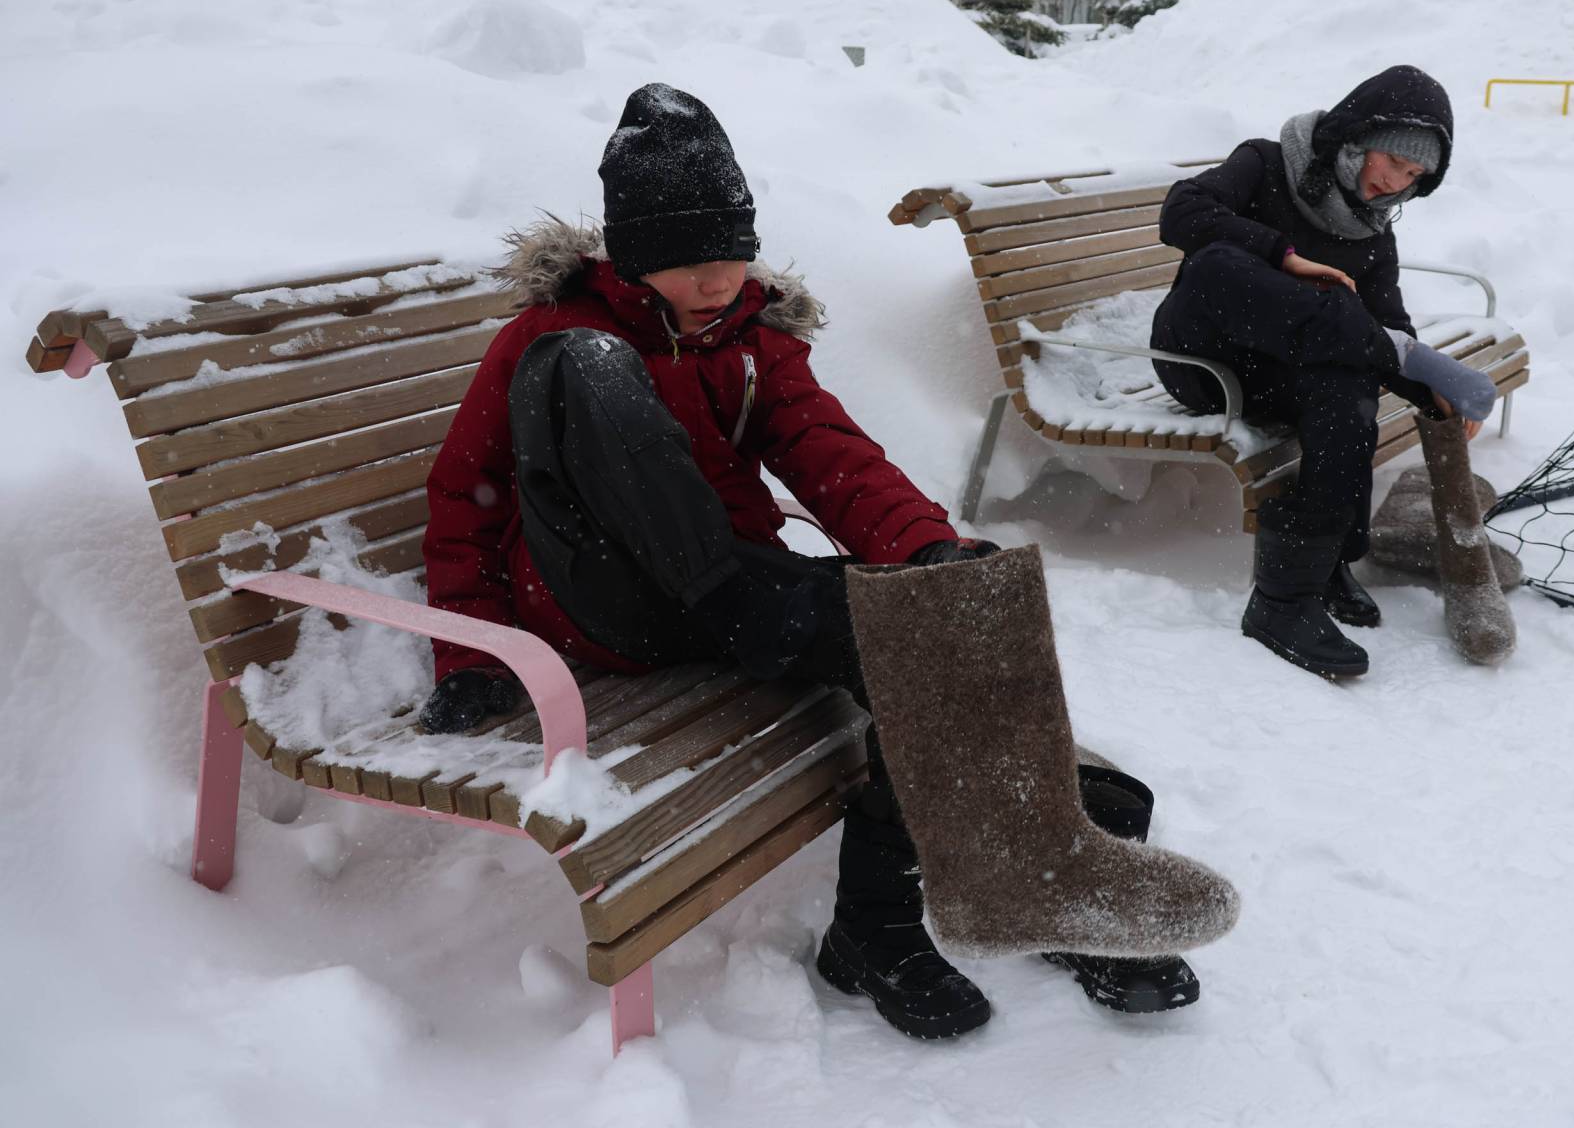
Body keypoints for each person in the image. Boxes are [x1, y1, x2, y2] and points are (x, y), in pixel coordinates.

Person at [420, 84, 1209, 1040]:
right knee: (585, 366)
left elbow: (831, 455)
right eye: (689, 262)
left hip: (737, 595)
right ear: (631, 255)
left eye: (731, 254)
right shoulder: (550, 340)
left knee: (941, 624)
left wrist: (927, 549)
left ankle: (922, 911)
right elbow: (462, 497)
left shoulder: (750, 340)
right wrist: (469, 657)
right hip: (603, 599)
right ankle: (1022, 847)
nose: (719, 281)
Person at [1153, 65, 1496, 680]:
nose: (1394, 182)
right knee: (1219, 262)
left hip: (1272, 376)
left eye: (1413, 177)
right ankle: (1313, 567)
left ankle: (1293, 590)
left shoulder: (1372, 233)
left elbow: (1387, 328)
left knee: (1350, 382)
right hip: (1201, 359)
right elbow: (1180, 213)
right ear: (1356, 137)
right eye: (1394, 161)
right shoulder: (1265, 162)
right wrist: (1284, 257)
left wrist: (1430, 392)